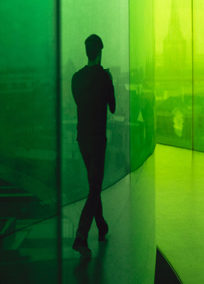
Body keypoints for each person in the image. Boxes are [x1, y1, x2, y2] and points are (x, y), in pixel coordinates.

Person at [71, 34, 116, 258]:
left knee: (93, 185)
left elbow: (80, 102)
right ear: (100, 52)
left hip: (82, 140)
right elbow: (114, 108)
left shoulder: (76, 78)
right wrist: (110, 82)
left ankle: (102, 226)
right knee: (94, 188)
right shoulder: (104, 78)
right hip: (98, 141)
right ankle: (80, 236)